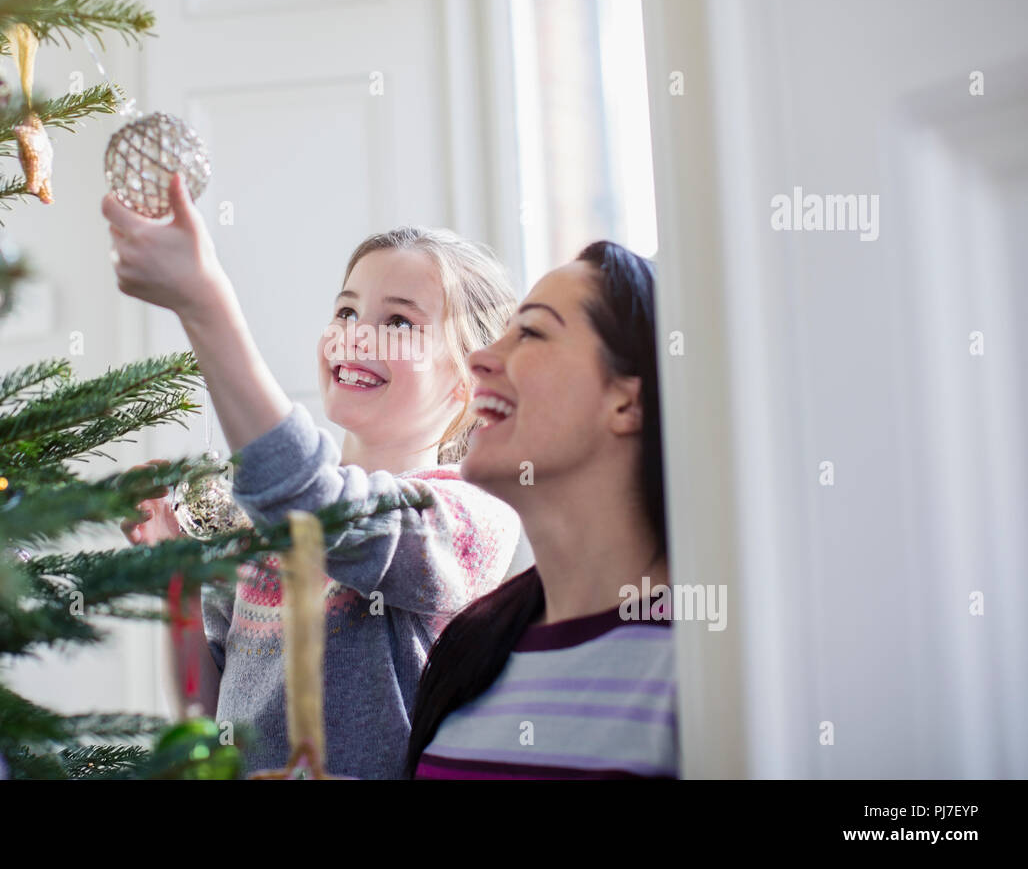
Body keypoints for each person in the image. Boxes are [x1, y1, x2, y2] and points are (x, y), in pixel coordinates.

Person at [107, 174, 520, 778]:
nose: (354, 333)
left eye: (399, 322)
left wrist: (205, 303)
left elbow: (322, 508)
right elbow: (208, 707)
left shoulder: (469, 516)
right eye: (346, 309)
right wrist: (177, 570)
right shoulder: (257, 523)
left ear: (466, 383)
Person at [405, 241, 677, 779]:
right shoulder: (471, 649)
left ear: (629, 401)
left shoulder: (707, 664)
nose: (480, 358)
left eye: (530, 332)